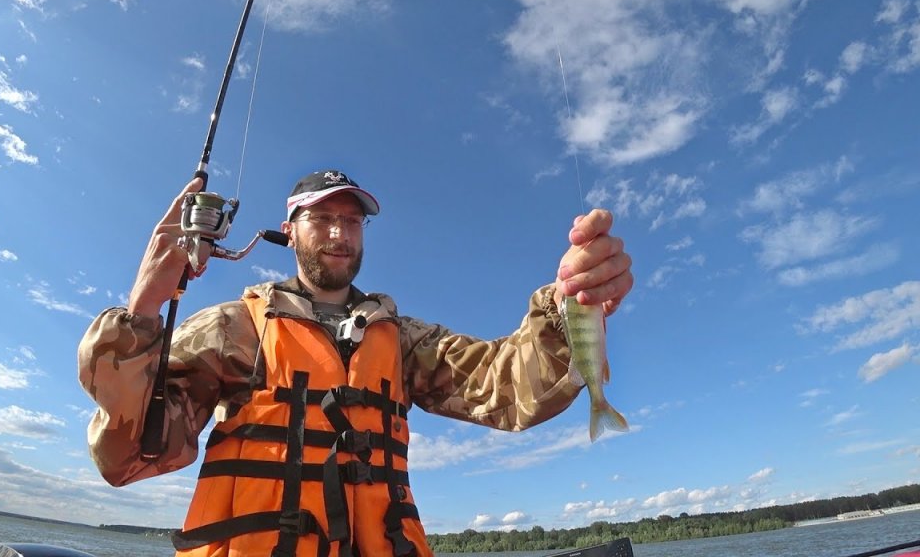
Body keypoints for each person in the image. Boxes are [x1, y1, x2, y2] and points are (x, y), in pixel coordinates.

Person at [78, 169, 633, 557]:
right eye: (322, 218)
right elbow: (129, 458)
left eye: (353, 221)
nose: (341, 234)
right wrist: (145, 311)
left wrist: (567, 306)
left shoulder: (402, 338)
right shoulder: (234, 328)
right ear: (289, 229)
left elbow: (507, 388)